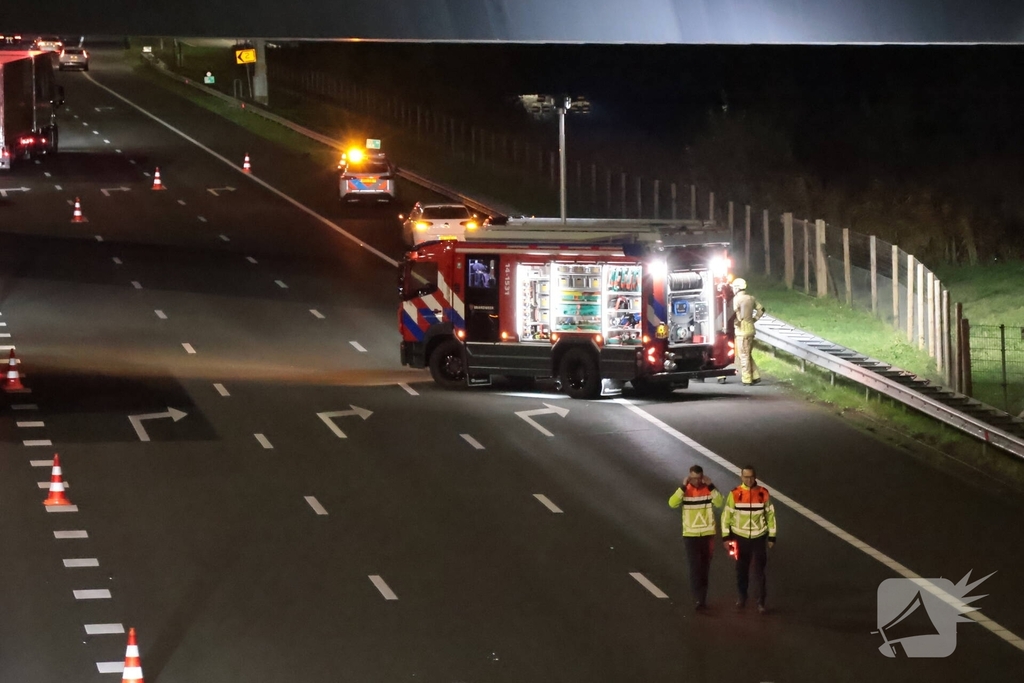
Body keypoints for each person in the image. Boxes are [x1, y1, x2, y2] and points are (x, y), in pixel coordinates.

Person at [720, 466, 777, 614]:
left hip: (758, 537)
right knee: (741, 570)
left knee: (759, 572)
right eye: (746, 477)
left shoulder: (763, 493)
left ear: (755, 477)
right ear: (741, 477)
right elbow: (726, 516)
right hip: (740, 538)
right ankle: (742, 596)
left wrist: (772, 536)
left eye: (751, 477)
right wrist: (726, 537)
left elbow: (770, 516)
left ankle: (760, 602)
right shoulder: (735, 494)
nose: (749, 479)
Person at [668, 465, 724, 611]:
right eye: (693, 478)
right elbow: (672, 503)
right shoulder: (685, 490)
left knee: (705, 568)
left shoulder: (708, 489)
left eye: (699, 478)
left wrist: (711, 485)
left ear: (703, 477)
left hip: (707, 535)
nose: (697, 481)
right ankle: (698, 598)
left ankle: (702, 598)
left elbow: (719, 503)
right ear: (689, 477)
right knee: (695, 567)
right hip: (690, 535)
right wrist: (682, 486)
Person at [731, 278, 765, 385]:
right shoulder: (751, 298)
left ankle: (746, 379)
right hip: (751, 330)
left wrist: (737, 323)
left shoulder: (736, 299)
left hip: (742, 332)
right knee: (748, 354)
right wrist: (754, 319)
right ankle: (756, 375)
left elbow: (735, 315)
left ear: (737, 288)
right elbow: (762, 309)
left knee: (743, 356)